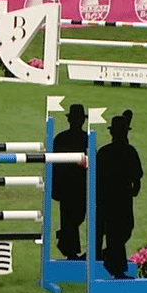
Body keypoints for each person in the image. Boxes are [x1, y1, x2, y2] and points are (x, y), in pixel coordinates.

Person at [96, 115, 143, 279]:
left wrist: (134, 189)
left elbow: (137, 177)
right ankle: (115, 265)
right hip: (111, 197)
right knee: (115, 233)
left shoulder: (122, 151)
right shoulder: (108, 152)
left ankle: (110, 257)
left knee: (123, 230)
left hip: (120, 197)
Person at [51, 104, 88, 260]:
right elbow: (54, 164)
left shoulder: (65, 138)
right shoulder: (63, 138)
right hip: (70, 185)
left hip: (77, 184)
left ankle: (66, 242)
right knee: (70, 218)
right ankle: (69, 249)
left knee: (75, 217)